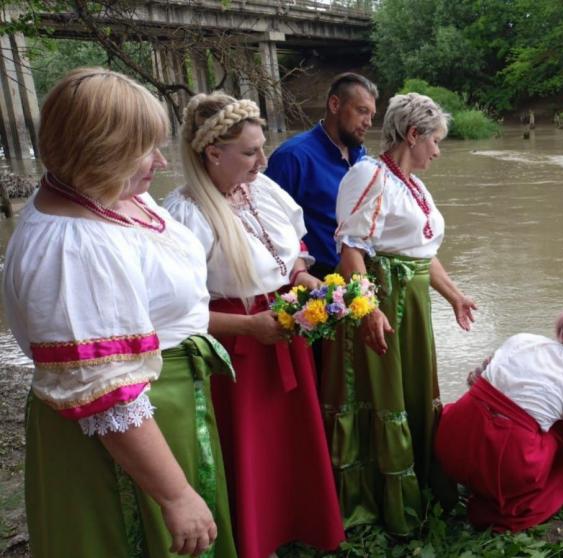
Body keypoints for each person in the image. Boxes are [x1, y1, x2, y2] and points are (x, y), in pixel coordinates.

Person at [2, 68, 236, 557]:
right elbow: (107, 393)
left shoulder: (110, 190)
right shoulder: (73, 247)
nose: (159, 160)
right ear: (96, 150)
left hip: (162, 404)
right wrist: (173, 493)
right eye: (143, 148)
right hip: (125, 433)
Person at [163, 92, 344, 558]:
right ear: (213, 153)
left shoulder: (262, 191)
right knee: (251, 446)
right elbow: (176, 314)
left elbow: (291, 260)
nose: (263, 161)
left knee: (292, 442)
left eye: (262, 147)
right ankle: (254, 539)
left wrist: (308, 285)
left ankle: (298, 526)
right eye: (250, 152)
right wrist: (249, 329)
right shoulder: (184, 215)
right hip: (237, 349)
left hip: (282, 329)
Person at [327, 92, 477, 535]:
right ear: (412, 135)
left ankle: (423, 489)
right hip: (384, 301)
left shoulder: (412, 183)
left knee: (414, 390)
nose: (438, 149)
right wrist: (369, 310)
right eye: (434, 140)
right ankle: (379, 503)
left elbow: (421, 251)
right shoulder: (367, 175)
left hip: (412, 303)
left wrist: (454, 295)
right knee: (384, 392)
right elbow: (351, 249)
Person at [434, 309, 563, 533]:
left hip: (451, 441)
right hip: (500, 465)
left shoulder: (523, 341)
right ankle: (502, 507)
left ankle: (469, 480)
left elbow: (474, 380)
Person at [265, 72, 378, 279]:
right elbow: (266, 224)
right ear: (335, 105)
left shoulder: (361, 157)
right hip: (314, 282)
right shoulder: (293, 157)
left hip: (360, 276)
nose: (369, 122)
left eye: (371, 115)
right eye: (362, 111)